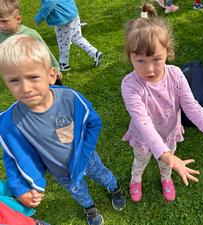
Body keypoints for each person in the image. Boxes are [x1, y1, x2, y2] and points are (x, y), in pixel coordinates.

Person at [122, 3, 203, 203]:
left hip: (169, 132)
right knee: (140, 161)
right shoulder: (129, 85)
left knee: (167, 165)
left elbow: (192, 107)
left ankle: (166, 179)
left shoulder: (176, 75)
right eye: (140, 61)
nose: (149, 69)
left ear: (167, 53)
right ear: (130, 57)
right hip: (144, 137)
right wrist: (167, 156)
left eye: (156, 59)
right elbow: (142, 122)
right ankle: (135, 180)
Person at [0, 35, 126, 225]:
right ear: (5, 82)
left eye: (33, 77)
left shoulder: (70, 99)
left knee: (102, 174)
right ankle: (89, 207)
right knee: (77, 190)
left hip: (86, 157)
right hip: (60, 170)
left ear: (51, 75)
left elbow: (93, 122)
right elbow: (13, 157)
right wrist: (20, 188)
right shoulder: (11, 122)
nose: (25, 88)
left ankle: (114, 187)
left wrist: (86, 149)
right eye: (14, 81)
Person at [0, 0, 62, 85]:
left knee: (54, 89)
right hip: (19, 76)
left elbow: (46, 52)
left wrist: (55, 67)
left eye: (4, 21)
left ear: (18, 19)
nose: (1, 25)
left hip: (38, 70)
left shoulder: (31, 34)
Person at [34, 0, 102, 71]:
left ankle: (64, 64)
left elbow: (49, 4)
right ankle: (95, 53)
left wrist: (38, 18)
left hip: (63, 19)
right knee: (77, 38)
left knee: (63, 42)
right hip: (72, 13)